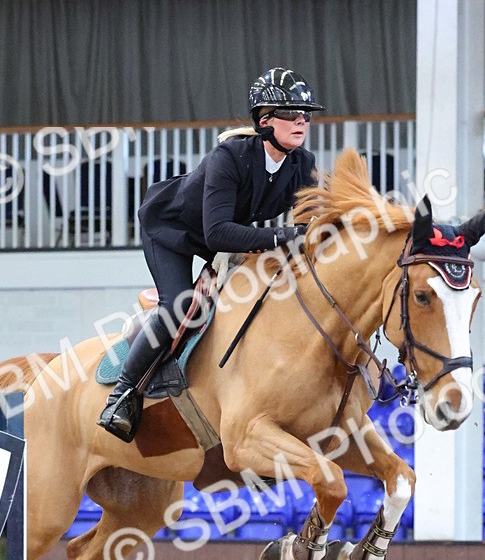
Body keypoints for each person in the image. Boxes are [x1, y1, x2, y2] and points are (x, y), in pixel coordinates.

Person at [98, 67, 324, 441]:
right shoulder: (230, 156)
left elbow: (319, 215)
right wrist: (283, 234)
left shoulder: (302, 164)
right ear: (265, 121)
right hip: (172, 231)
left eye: (306, 115)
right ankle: (123, 393)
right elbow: (217, 233)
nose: (301, 121)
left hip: (225, 236)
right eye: (290, 114)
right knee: (178, 306)